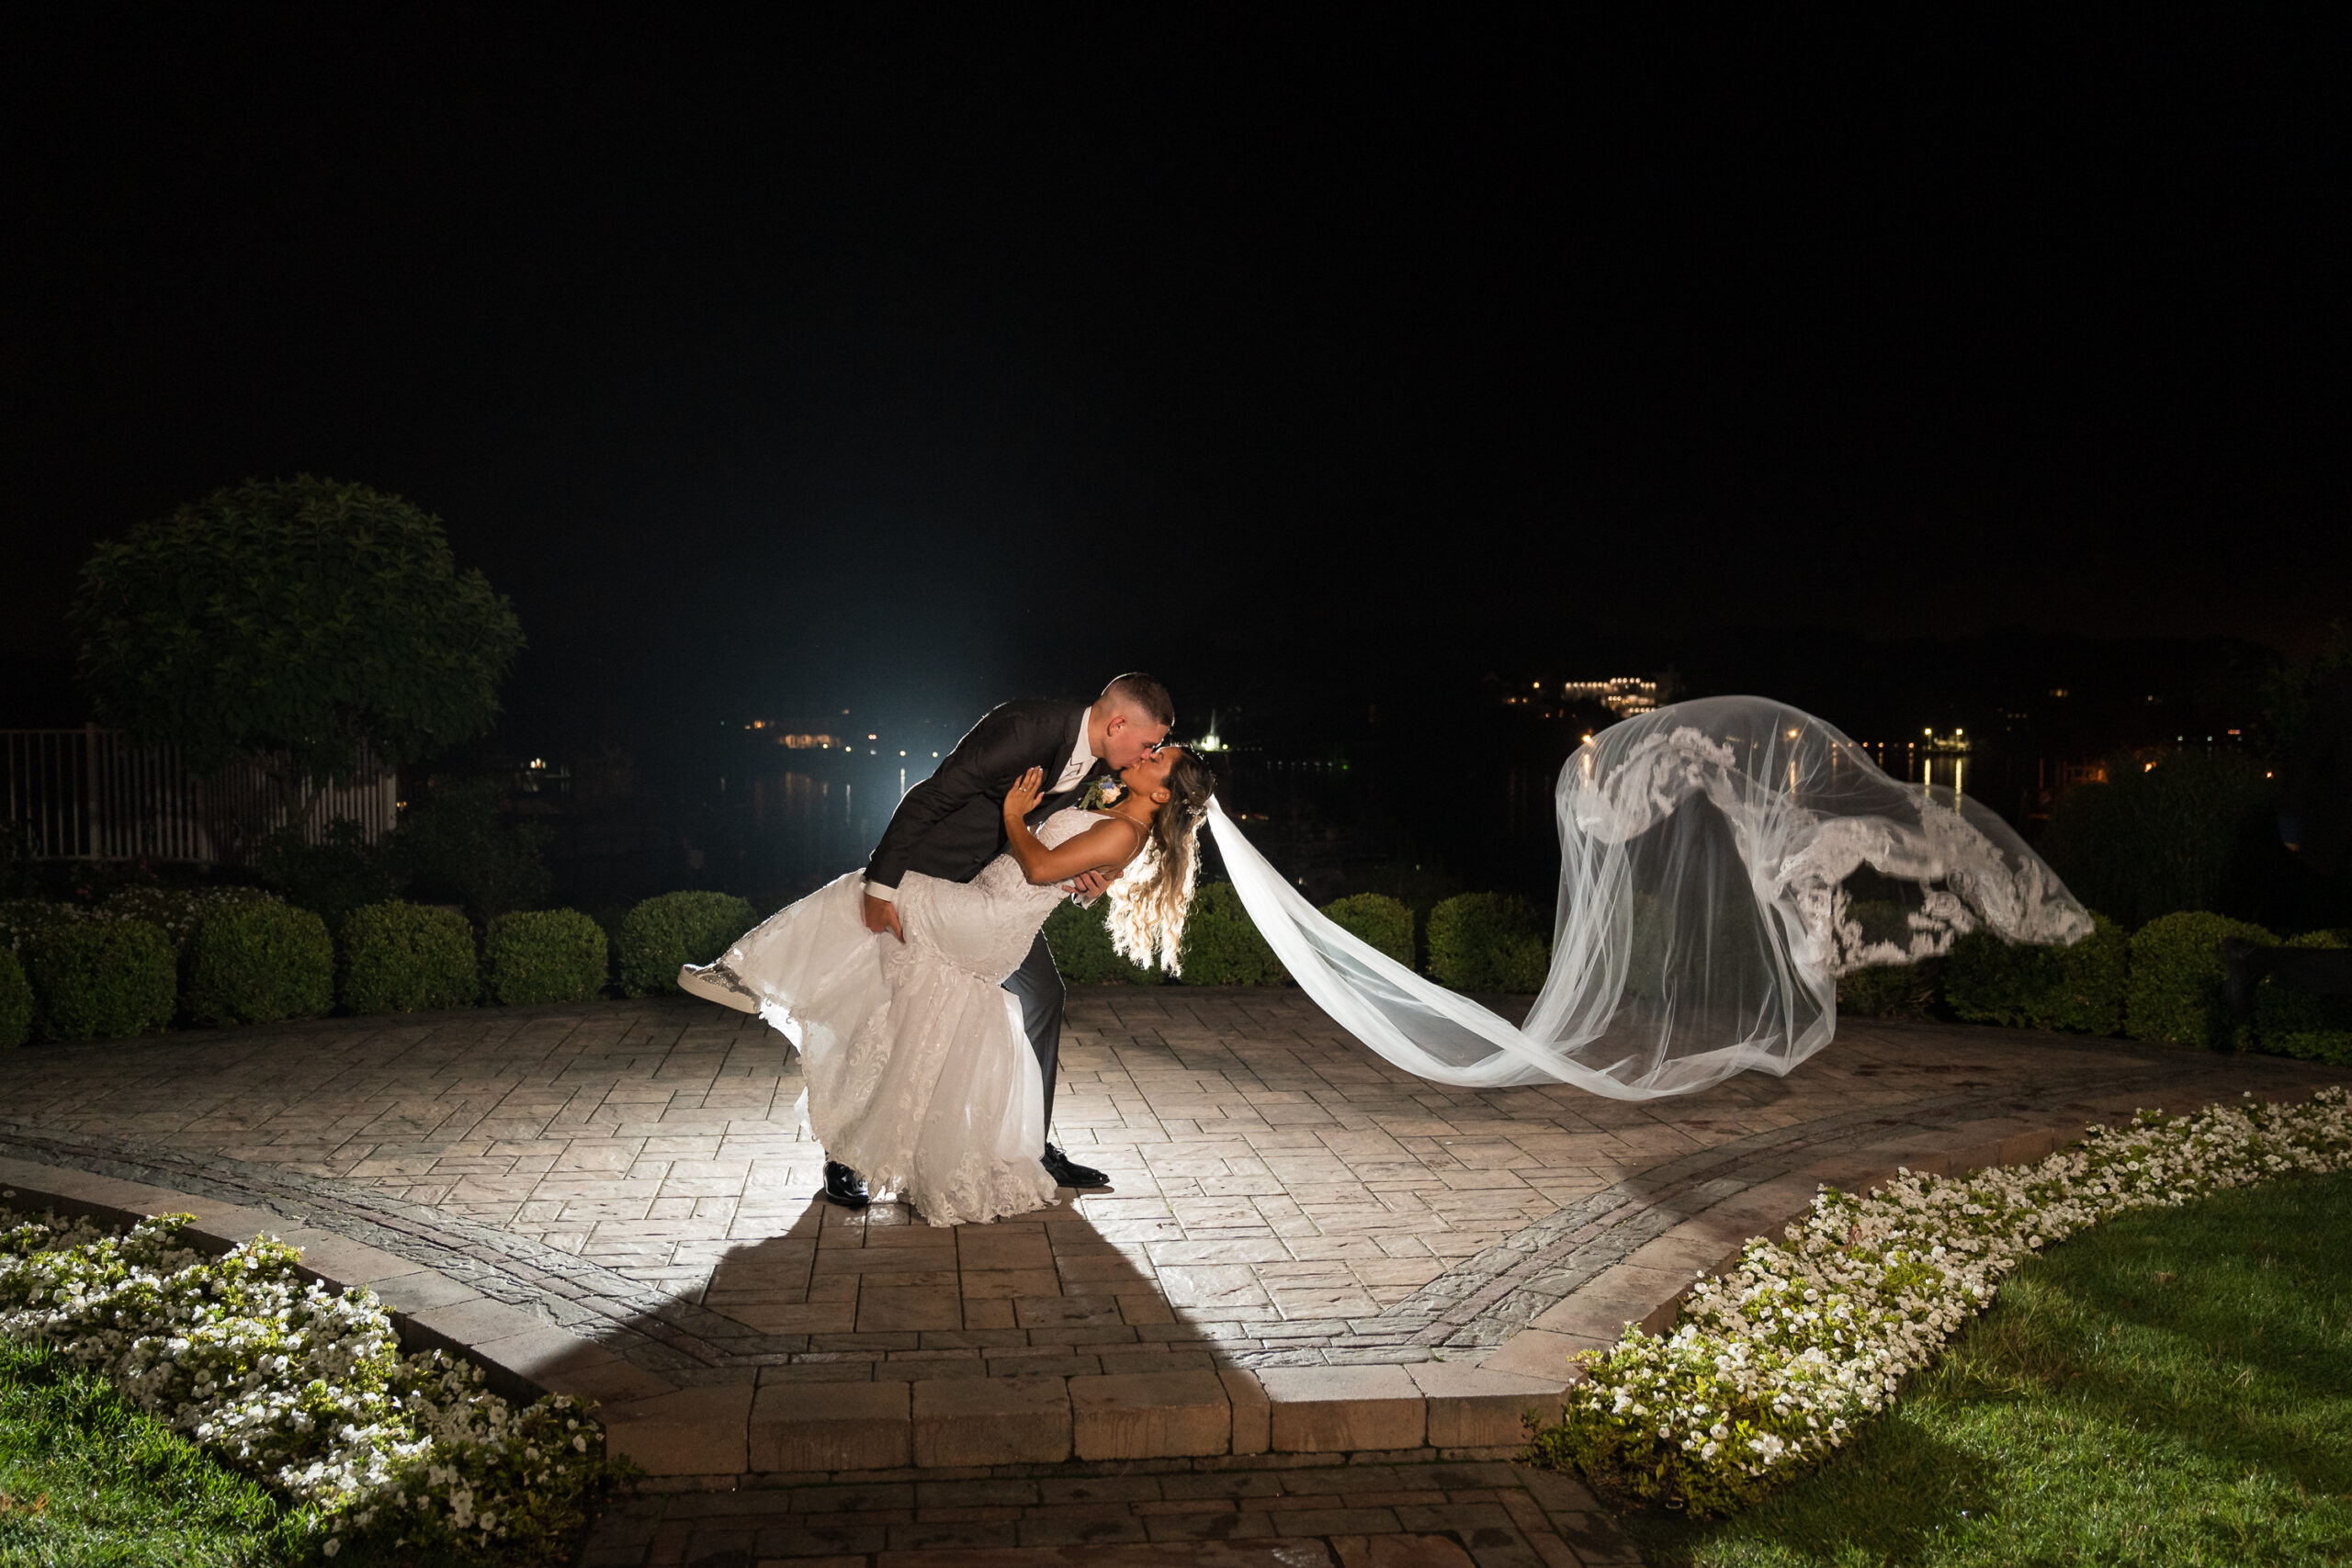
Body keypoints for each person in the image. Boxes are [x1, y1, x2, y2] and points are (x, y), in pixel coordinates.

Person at [682, 674, 1208, 1220]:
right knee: (889, 979)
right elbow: (931, 795)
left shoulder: (1110, 770)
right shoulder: (1026, 729)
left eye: (1155, 753)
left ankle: (1029, 1148)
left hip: (995, 908)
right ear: (1118, 724)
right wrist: (882, 886)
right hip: (953, 878)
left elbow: (1077, 849)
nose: (1146, 754)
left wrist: (1088, 882)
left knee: (1039, 998)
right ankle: (845, 1150)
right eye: (1148, 744)